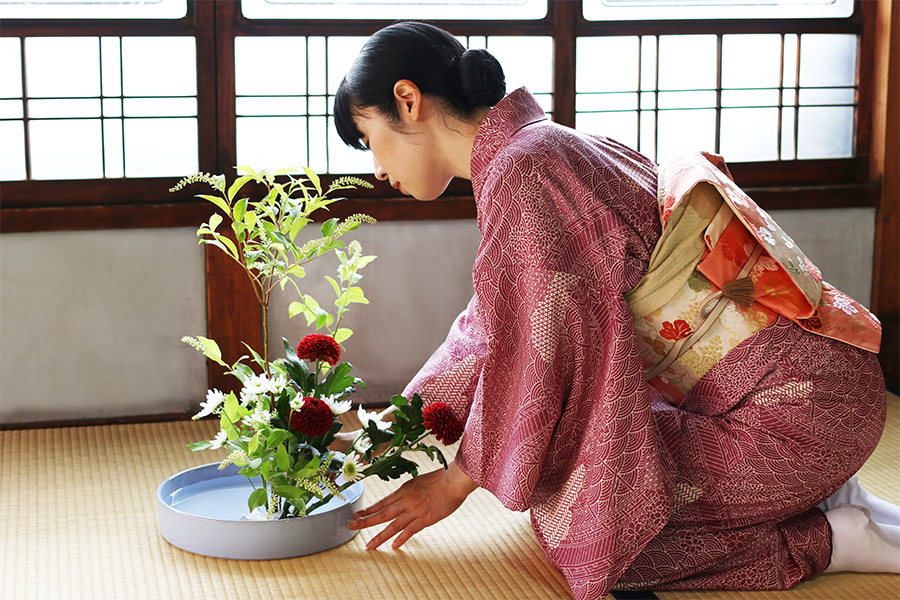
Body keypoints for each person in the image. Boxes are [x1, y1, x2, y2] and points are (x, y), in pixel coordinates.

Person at [333, 21, 899, 600]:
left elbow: (536, 358)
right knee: (583, 492)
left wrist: (454, 483)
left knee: (608, 546)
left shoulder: (525, 170)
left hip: (796, 414)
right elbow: (485, 333)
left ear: (408, 100)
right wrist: (388, 430)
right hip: (808, 391)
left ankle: (834, 536)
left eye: (368, 138)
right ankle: (827, 494)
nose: (375, 168)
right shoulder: (539, 149)